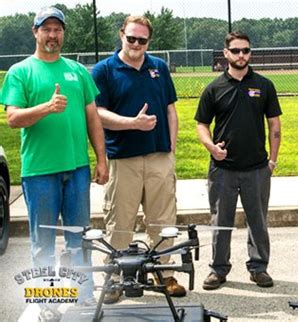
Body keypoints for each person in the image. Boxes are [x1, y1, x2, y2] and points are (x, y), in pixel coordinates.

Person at [0, 6, 108, 312]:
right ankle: (46, 300)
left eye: (57, 29)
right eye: (46, 29)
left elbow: (93, 118)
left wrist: (101, 159)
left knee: (80, 237)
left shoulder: (78, 72)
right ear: (35, 32)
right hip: (40, 172)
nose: (52, 35)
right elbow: (13, 119)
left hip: (76, 170)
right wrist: (46, 107)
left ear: (63, 33)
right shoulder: (20, 72)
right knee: (43, 242)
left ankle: (83, 294)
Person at [92, 15, 185, 303]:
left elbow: (170, 109)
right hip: (124, 159)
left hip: (159, 156)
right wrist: (133, 123)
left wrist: (171, 147)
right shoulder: (104, 70)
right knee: (120, 221)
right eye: (131, 38)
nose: (135, 44)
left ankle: (164, 273)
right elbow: (98, 114)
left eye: (142, 40)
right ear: (121, 35)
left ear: (149, 41)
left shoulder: (158, 67)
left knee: (163, 219)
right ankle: (116, 279)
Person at [195, 31, 282, 290]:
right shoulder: (214, 88)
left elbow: (274, 125)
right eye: (236, 51)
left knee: (258, 221)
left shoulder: (264, 85)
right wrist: (210, 146)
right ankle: (218, 270)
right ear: (226, 54)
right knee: (221, 222)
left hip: (257, 168)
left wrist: (272, 162)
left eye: (245, 50)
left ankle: (258, 268)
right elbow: (201, 124)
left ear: (250, 53)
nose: (241, 55)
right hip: (223, 169)